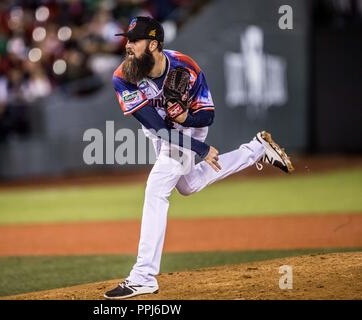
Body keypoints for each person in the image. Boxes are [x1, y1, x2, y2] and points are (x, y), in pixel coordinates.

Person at [104, 16, 294, 299]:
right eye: (127, 40)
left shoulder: (186, 68)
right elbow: (156, 128)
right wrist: (201, 152)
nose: (128, 46)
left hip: (189, 128)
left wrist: (187, 117)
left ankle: (143, 276)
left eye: (135, 41)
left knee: (157, 187)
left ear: (154, 44)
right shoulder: (123, 76)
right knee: (188, 185)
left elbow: (208, 115)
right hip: (162, 133)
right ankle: (256, 149)